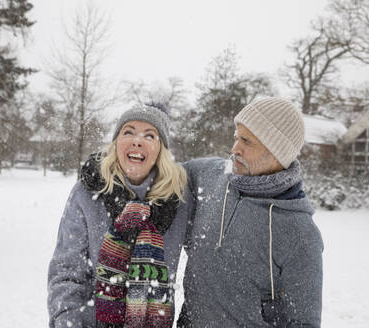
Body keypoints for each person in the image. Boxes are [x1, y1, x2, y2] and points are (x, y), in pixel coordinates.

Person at [178, 98, 324, 327]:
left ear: (277, 151)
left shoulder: (299, 232)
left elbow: (304, 322)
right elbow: (160, 173)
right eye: (237, 137)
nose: (235, 148)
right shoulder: (211, 175)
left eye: (247, 141)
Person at [48, 103, 192, 328]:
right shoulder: (87, 192)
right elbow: (67, 270)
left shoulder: (178, 200)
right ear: (116, 143)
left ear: (161, 150)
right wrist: (68, 320)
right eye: (129, 132)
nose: (137, 140)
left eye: (149, 135)